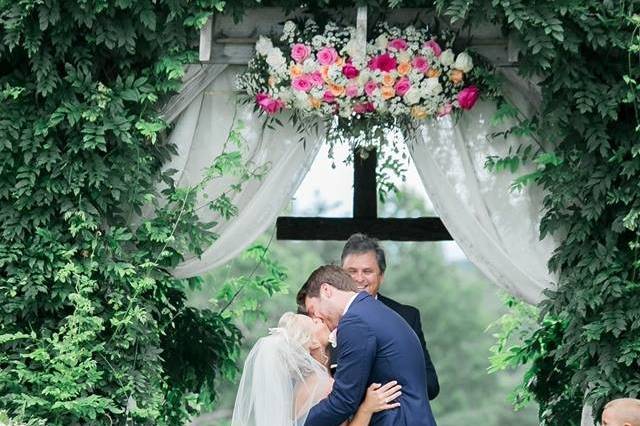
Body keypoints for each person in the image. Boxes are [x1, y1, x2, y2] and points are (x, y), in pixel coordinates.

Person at [298, 265, 437, 426]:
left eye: (312, 311)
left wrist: (294, 423)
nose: (317, 318)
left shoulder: (355, 321)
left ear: (326, 290)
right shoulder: (372, 310)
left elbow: (343, 400)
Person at [230, 311, 402, 426]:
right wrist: (367, 407)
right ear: (312, 342)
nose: (319, 319)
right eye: (314, 321)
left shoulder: (298, 386)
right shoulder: (326, 386)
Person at [339, 233, 440, 400]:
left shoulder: (407, 316)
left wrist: (379, 394)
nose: (359, 278)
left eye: (367, 271)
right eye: (352, 271)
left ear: (381, 276)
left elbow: (430, 385)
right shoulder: (324, 315)